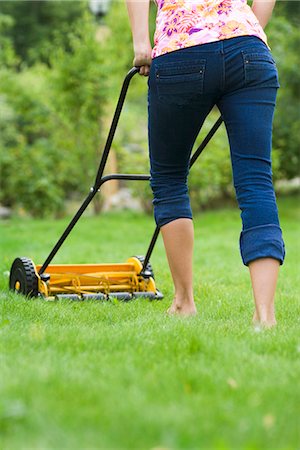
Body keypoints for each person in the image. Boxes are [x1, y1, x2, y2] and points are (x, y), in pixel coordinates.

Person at [125, 0, 285, 327]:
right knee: (256, 181)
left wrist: (141, 45)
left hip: (181, 48)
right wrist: (249, 28)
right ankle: (265, 316)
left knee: (169, 179)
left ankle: (184, 302)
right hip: (248, 47)